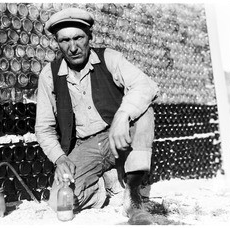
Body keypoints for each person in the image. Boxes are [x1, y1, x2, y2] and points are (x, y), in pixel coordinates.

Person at [35, 7, 159, 225]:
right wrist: (60, 158)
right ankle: (106, 185)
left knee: (145, 113)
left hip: (117, 138)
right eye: (64, 41)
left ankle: (133, 194)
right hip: (85, 145)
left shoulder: (109, 58)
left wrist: (122, 115)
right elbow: (43, 127)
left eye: (78, 38)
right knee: (59, 202)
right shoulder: (49, 74)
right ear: (57, 42)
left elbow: (146, 85)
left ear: (89, 37)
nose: (72, 47)